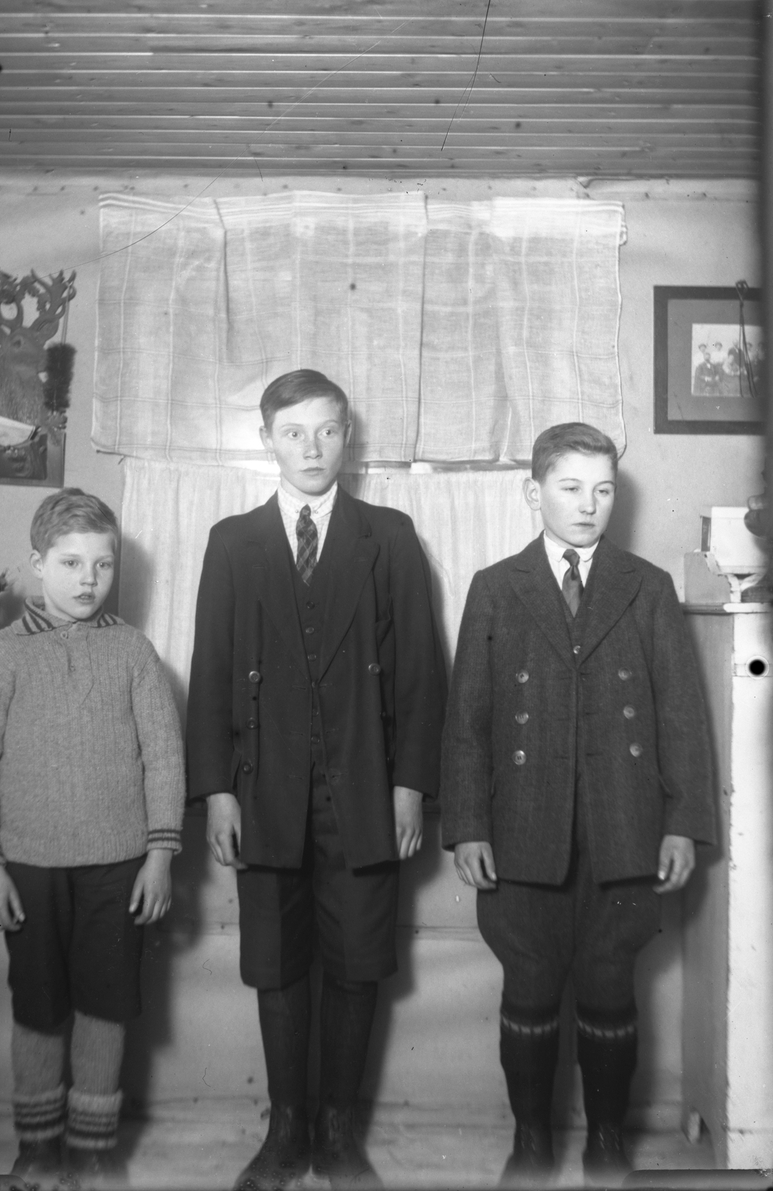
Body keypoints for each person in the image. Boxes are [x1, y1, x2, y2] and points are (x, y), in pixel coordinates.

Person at [187, 369, 446, 1191]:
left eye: (327, 431)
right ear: (266, 438)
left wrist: (410, 786)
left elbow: (419, 674)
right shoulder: (233, 541)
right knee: (275, 961)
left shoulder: (388, 537)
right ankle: (285, 1130)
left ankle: (336, 1133)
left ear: (347, 438)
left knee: (357, 959)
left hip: (363, 789)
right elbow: (211, 671)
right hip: (264, 790)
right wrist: (217, 792)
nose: (311, 448)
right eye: (294, 432)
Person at [440, 423, 715, 1187]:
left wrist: (683, 824)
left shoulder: (645, 586)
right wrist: (466, 826)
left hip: (622, 830)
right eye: (569, 487)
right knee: (528, 991)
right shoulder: (495, 588)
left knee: (608, 989)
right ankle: (530, 1145)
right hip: (521, 832)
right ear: (533, 493)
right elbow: (466, 721)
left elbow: (680, 715)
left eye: (602, 489)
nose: (588, 504)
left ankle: (605, 1145)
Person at [0, 488, 185, 1183]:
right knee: (39, 1009)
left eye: (103, 565)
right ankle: (37, 1149)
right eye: (71, 563)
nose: (88, 579)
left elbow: (164, 758)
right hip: (29, 867)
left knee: (105, 1008)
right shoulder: (2, 655)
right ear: (37, 564)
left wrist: (160, 856)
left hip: (118, 867)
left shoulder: (134, 652)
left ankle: (92, 1150)